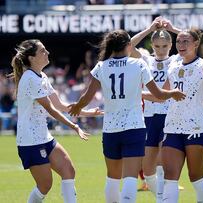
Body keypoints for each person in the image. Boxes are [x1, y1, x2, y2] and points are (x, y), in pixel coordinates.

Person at [68, 29, 185, 203]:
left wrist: (77, 107)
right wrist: (173, 92)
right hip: (134, 127)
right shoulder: (138, 64)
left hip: (110, 129)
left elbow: (87, 96)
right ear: (128, 45)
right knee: (130, 177)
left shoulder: (102, 65)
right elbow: (159, 95)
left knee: (112, 179)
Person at [9, 39, 100, 203]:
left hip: (44, 137)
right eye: (43, 51)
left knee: (68, 170)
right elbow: (51, 109)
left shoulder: (42, 76)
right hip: (30, 141)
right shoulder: (30, 78)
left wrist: (86, 112)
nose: (47, 53)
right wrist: (74, 126)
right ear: (31, 58)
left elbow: (60, 105)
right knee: (45, 185)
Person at [154, 25, 203, 203]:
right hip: (172, 127)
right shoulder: (174, 64)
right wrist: (138, 93)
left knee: (195, 177)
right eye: (178, 41)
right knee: (170, 176)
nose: (181, 45)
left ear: (196, 43)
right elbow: (161, 95)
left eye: (186, 41)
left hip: (196, 128)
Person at [130, 17, 182, 202]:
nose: (160, 50)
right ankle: (161, 196)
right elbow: (128, 46)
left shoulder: (176, 59)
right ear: (152, 44)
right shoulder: (145, 60)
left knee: (162, 163)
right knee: (147, 168)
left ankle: (164, 199)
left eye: (164, 46)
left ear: (170, 46)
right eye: (157, 46)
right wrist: (148, 29)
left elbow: (192, 42)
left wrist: (174, 29)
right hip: (149, 116)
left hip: (169, 114)